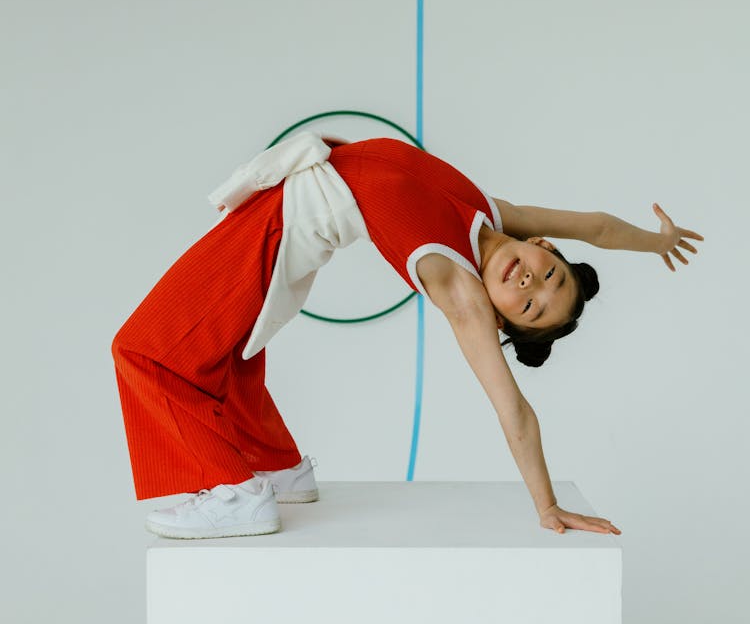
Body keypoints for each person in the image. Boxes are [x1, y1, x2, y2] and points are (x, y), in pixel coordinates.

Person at [111, 132, 703, 540]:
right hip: (285, 209)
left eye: (528, 306)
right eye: (548, 275)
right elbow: (596, 226)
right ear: (543, 247)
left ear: (501, 319)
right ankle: (276, 468)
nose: (530, 282)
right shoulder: (493, 217)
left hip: (279, 227)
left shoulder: (460, 287)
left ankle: (235, 497)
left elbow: (513, 409)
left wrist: (547, 505)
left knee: (145, 352)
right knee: (226, 354)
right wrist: (657, 242)